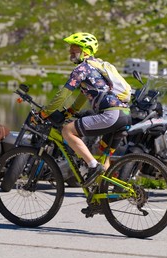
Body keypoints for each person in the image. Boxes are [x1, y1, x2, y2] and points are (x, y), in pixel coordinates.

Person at [41, 32, 132, 187]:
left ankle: (92, 166)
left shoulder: (82, 69)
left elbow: (62, 95)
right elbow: (84, 97)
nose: (70, 51)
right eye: (70, 48)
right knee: (104, 156)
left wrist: (45, 112)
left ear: (86, 50)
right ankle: (102, 197)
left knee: (67, 131)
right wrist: (70, 111)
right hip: (125, 115)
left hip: (111, 115)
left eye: (74, 49)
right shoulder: (97, 67)